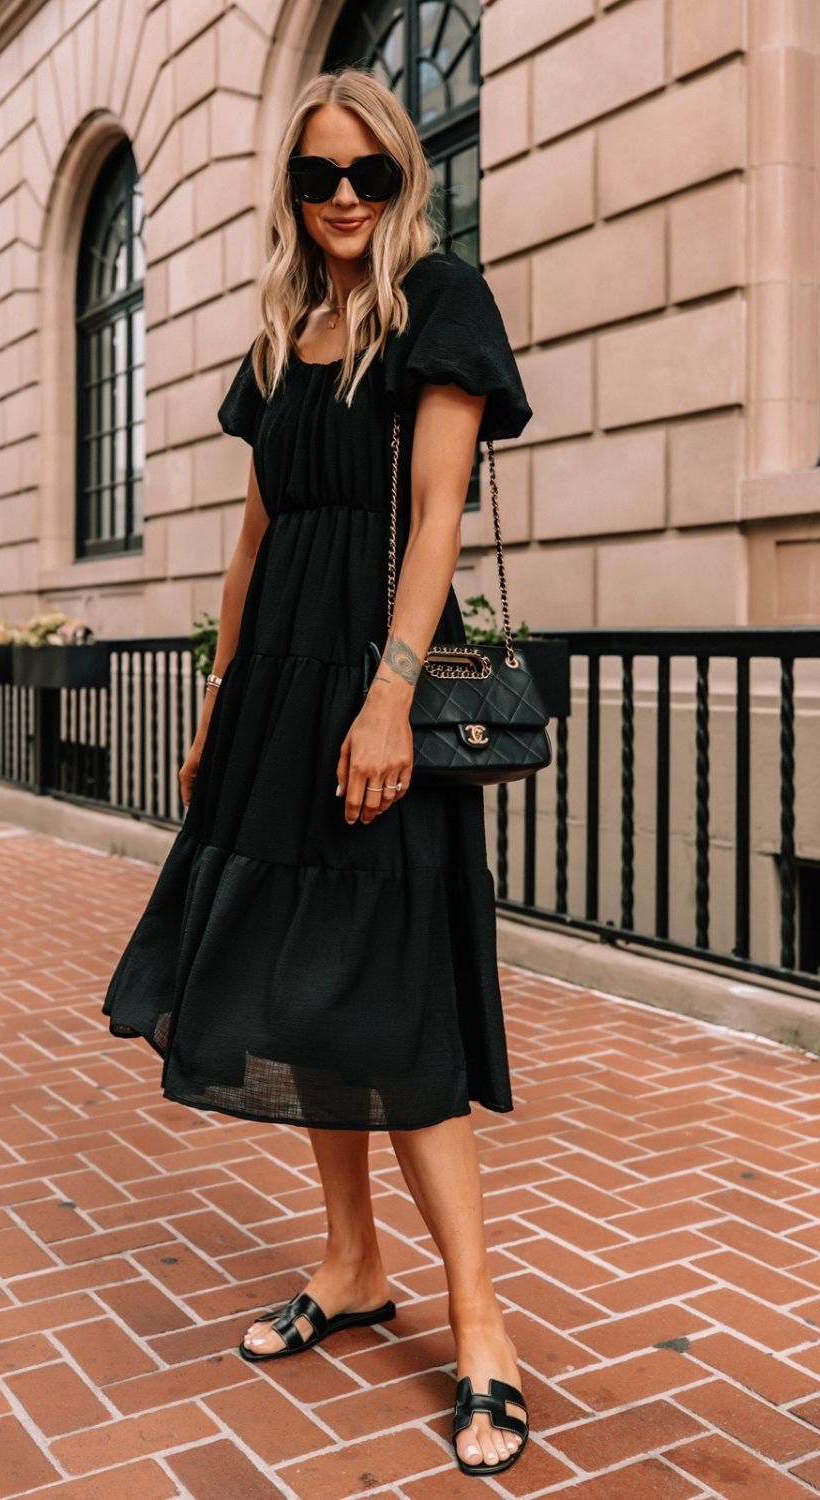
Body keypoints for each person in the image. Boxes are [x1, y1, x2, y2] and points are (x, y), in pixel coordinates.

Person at [101, 65, 534, 1479]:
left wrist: (392, 698)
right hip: (275, 694)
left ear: (405, 181)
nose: (344, 197)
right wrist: (219, 700)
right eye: (317, 175)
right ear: (290, 192)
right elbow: (252, 535)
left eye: (370, 174)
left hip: (368, 685)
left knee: (393, 1005)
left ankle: (483, 1332)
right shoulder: (287, 329)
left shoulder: (437, 306)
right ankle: (351, 1266)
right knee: (293, 983)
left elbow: (436, 517)